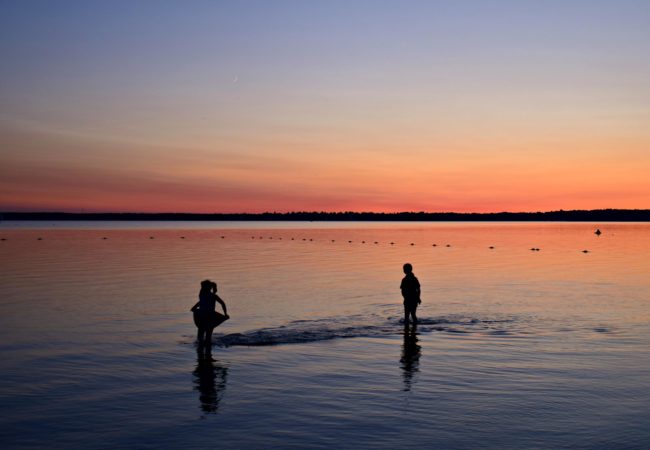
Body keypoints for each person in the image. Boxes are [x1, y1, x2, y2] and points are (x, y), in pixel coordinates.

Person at [191, 279, 229, 358]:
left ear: (207, 288)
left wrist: (225, 313)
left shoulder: (211, 295)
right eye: (201, 287)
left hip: (209, 317)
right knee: (201, 336)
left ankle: (206, 356)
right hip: (202, 316)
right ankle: (202, 356)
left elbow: (222, 303)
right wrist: (195, 307)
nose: (201, 288)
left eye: (202, 287)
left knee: (206, 336)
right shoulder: (203, 294)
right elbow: (200, 302)